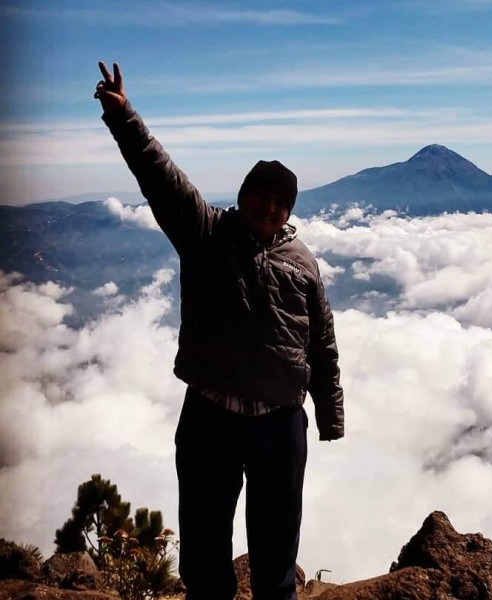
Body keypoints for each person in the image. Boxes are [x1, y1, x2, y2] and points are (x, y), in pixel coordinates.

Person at [94, 61, 344, 600]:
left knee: (277, 546)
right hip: (211, 419)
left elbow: (321, 343)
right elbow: (160, 177)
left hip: (280, 425)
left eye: (281, 203)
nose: (270, 208)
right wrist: (123, 118)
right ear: (244, 193)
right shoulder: (207, 233)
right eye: (262, 196)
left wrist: (329, 413)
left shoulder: (302, 261)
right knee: (206, 549)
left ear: (288, 211)